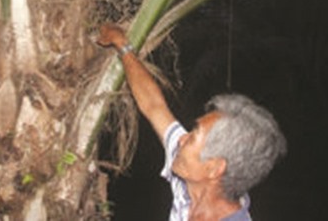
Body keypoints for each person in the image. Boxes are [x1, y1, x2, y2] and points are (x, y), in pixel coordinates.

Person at [98, 23, 287, 221]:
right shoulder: (190, 181)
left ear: (214, 169)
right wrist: (122, 45)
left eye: (192, 138)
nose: (181, 139)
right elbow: (154, 106)